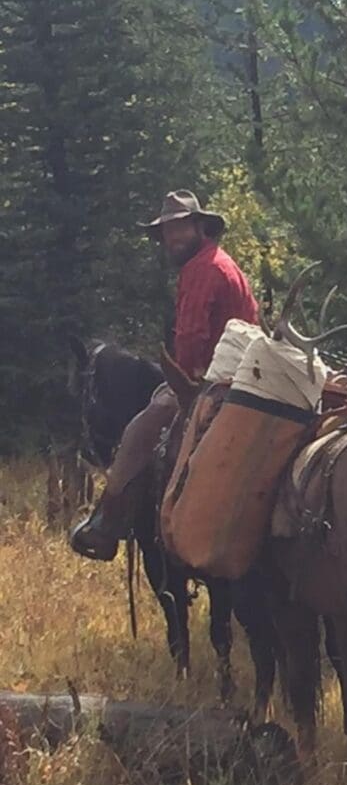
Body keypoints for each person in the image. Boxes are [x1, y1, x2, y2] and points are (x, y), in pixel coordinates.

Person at [70, 190, 259, 560]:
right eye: (168, 232)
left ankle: (106, 523)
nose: (173, 239)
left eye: (180, 228)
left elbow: (191, 338)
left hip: (215, 379)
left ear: (199, 226)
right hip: (243, 374)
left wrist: (181, 380)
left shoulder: (202, 269)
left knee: (141, 427)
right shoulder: (222, 263)